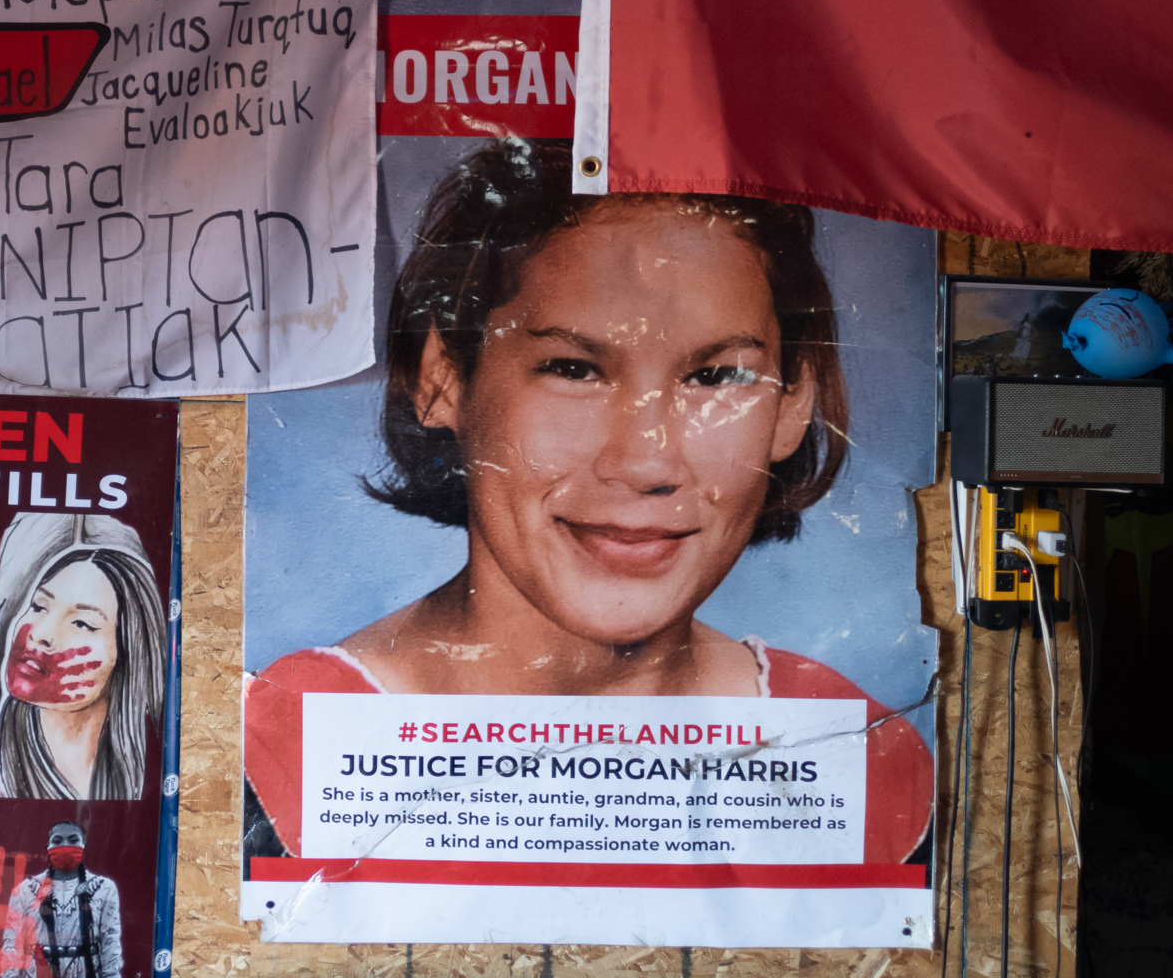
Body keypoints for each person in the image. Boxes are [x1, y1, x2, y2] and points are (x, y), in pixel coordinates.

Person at [244, 135, 933, 861]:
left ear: (794, 404)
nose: (644, 461)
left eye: (716, 378)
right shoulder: (286, 746)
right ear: (444, 378)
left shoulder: (861, 757)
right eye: (573, 368)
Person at [0, 513, 165, 800]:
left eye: (82, 623)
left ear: (127, 654)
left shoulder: (152, 772)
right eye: (39, 606)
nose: (42, 633)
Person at [0, 821, 123, 978]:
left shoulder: (104, 888)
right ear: (48, 847)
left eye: (73, 840)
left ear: (83, 844)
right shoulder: (25, 889)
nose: (65, 845)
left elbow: (110, 942)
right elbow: (12, 942)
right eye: (57, 840)